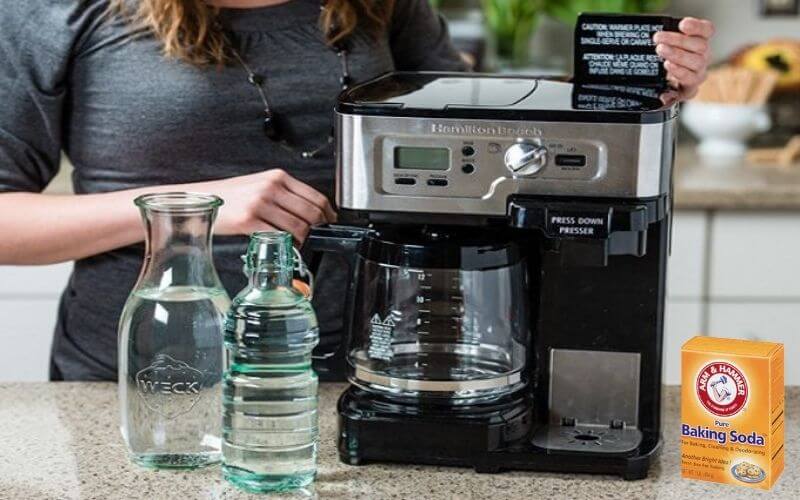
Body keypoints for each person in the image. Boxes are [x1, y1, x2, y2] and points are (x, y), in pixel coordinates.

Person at [0, 0, 714, 381]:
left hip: (374, 367)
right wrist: (193, 211)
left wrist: (634, 95)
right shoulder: (56, 10)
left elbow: (493, 143)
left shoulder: (381, 3)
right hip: (155, 374)